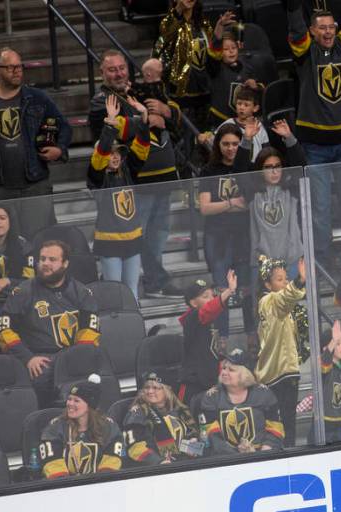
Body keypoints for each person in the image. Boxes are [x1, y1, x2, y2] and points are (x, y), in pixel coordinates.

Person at [88, 50, 185, 298]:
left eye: (122, 67)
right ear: (102, 72)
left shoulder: (136, 91)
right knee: (134, 236)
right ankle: (127, 286)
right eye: (112, 69)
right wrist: (144, 117)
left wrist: (162, 111)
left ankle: (153, 281)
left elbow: (172, 114)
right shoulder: (101, 100)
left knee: (158, 234)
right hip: (130, 181)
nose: (119, 73)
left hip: (162, 176)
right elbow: (113, 129)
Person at [287, 0, 341, 264]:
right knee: (319, 207)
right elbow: (296, 32)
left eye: (332, 27)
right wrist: (293, 9)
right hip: (315, 147)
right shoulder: (304, 54)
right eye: (322, 28)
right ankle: (322, 257)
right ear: (312, 31)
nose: (329, 32)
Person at [0, 240, 100, 407]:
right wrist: (27, 358)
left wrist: (74, 358)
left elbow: (91, 330)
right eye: (42, 259)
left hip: (73, 361)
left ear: (65, 263)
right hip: (39, 363)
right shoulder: (23, 292)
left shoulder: (81, 292)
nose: (45, 263)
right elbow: (4, 331)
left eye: (52, 260)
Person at [0, 48, 70, 239]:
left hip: (35, 184)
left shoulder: (37, 97)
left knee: (39, 241)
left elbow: (63, 126)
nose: (17, 71)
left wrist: (59, 149)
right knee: (7, 246)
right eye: (10, 67)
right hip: (2, 188)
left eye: (19, 66)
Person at [87, 94, 151, 301]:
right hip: (109, 242)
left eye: (118, 153)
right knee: (114, 291)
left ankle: (136, 328)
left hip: (133, 238)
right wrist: (110, 125)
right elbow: (101, 153)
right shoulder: (96, 176)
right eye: (111, 153)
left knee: (132, 290)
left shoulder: (129, 170)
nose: (114, 157)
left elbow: (142, 146)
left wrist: (143, 118)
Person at [198, 122, 256, 353]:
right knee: (222, 290)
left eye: (235, 144)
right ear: (218, 145)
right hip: (217, 238)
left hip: (243, 236)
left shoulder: (247, 168)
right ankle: (222, 339)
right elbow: (204, 208)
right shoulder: (208, 171)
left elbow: (249, 205)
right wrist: (232, 203)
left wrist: (219, 205)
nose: (231, 148)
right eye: (226, 144)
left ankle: (252, 335)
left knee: (246, 289)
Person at [254, 256, 308, 445]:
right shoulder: (269, 301)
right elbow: (285, 297)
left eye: (286, 278)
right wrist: (299, 281)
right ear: (267, 285)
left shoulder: (276, 305)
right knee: (281, 425)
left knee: (287, 424)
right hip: (279, 372)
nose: (285, 283)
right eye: (279, 279)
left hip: (281, 372)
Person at [153, 1, 229, 130]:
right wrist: (178, 9)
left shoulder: (204, 26)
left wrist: (218, 35)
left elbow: (213, 63)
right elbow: (165, 36)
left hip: (205, 96)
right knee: (185, 143)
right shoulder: (168, 25)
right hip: (180, 99)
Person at [199, 348, 285, 453]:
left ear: (245, 375)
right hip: (225, 460)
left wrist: (263, 453)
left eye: (231, 370)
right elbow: (212, 435)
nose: (224, 372)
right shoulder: (211, 397)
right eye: (224, 368)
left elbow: (276, 430)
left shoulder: (264, 394)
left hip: (262, 456)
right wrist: (236, 457)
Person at [38, 376, 124, 479]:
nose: (70, 404)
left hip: (100, 487)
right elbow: (53, 465)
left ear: (89, 405)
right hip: (64, 488)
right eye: (69, 399)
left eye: (76, 401)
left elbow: (111, 463)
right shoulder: (56, 427)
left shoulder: (108, 427)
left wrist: (100, 484)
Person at [248, 135, 307, 277]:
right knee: (266, 300)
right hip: (263, 261)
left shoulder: (291, 190)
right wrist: (246, 140)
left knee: (291, 298)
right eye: (268, 167)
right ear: (259, 170)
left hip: (291, 259)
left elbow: (302, 167)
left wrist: (290, 139)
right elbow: (239, 170)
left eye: (277, 166)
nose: (274, 172)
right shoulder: (253, 192)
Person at [177, 271, 237, 404]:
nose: (211, 299)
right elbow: (209, 309)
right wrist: (229, 291)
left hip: (210, 380)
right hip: (194, 384)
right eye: (205, 296)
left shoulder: (210, 320)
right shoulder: (192, 317)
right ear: (193, 303)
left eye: (212, 295)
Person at [123, 371, 202, 464]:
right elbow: (135, 448)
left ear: (167, 390)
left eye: (155, 388)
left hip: (186, 465)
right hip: (156, 469)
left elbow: (189, 441)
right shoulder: (138, 413)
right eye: (147, 387)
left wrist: (194, 446)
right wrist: (159, 462)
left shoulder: (181, 410)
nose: (150, 391)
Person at [0, 205, 34, 304]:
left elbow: (30, 281)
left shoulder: (24, 247)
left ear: (10, 222)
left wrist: (8, 281)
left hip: (18, 299)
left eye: (2, 218)